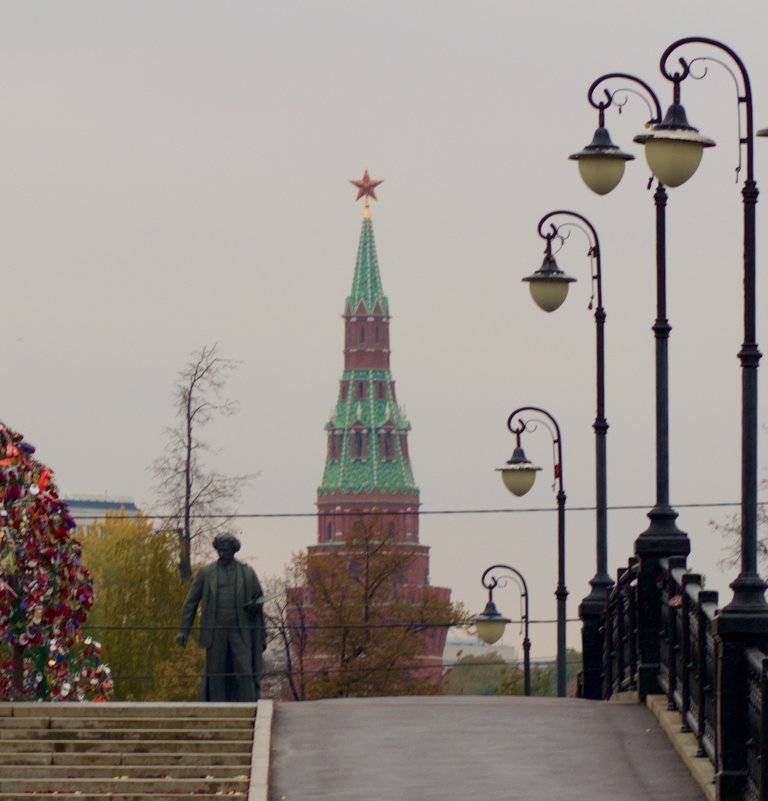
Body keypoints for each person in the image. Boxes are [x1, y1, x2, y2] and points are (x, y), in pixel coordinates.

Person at [176, 532, 265, 701]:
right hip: (215, 631)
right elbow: (191, 602)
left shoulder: (247, 573)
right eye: (220, 549)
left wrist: (255, 605)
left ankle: (249, 706)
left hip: (240, 630)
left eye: (227, 549)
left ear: (234, 549)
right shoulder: (206, 573)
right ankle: (217, 707)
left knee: (244, 670)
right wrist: (183, 630)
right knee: (216, 672)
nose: (223, 552)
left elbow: (258, 598)